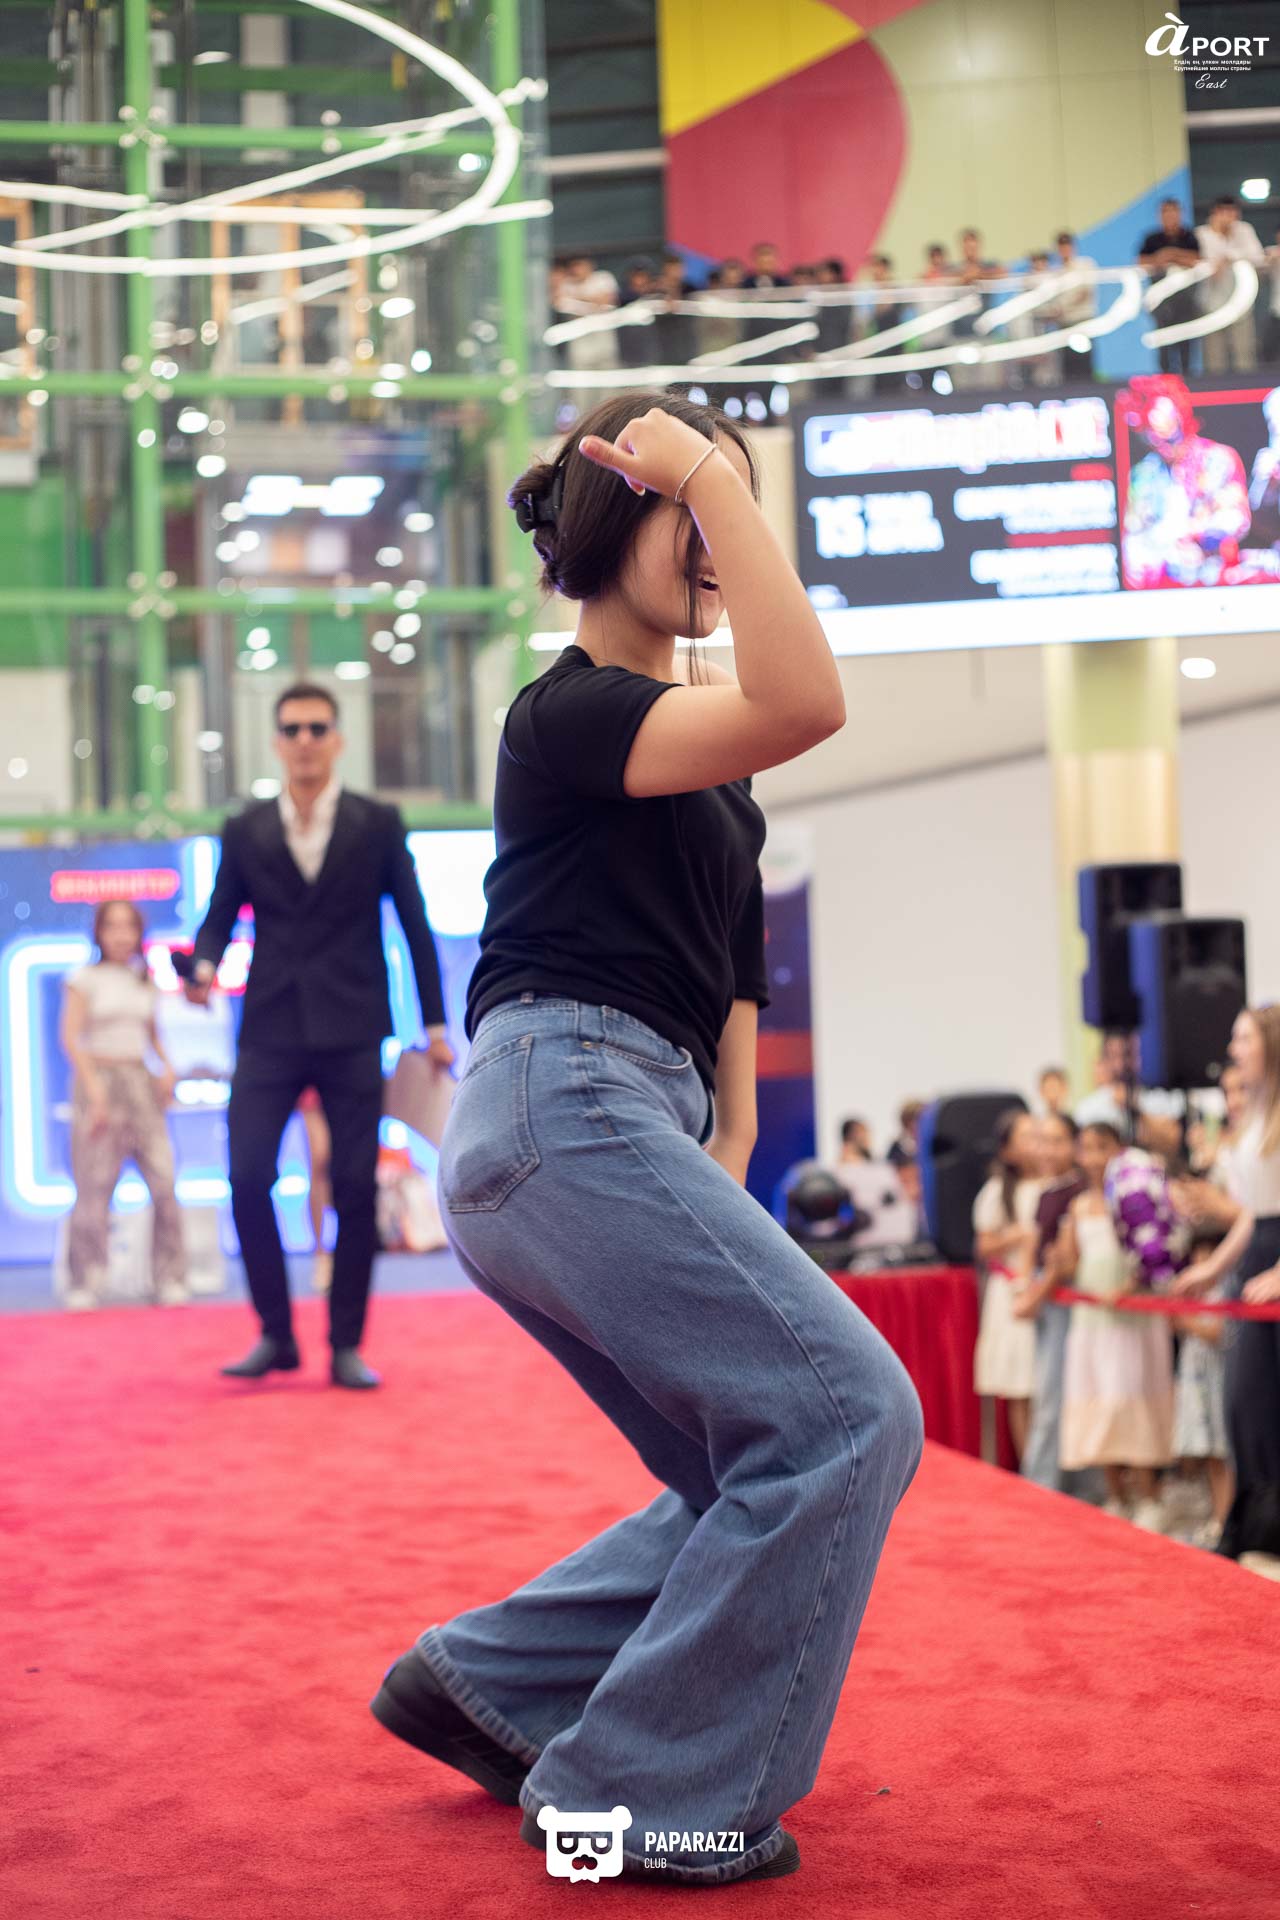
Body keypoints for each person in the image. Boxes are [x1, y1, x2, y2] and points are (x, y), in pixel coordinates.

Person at [368, 391, 923, 1886]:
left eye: (732, 507)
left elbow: (731, 964)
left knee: (755, 1458)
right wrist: (711, 477)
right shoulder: (567, 712)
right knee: (848, 1418)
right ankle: (632, 1792)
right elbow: (808, 702)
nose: (721, 536)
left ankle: (489, 1685)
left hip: (614, 1116)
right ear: (622, 518)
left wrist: (727, 1138)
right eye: (693, 505)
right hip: (565, 1095)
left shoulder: (699, 752)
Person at [185, 683, 453, 1389]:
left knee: (356, 1186)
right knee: (247, 1177)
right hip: (268, 1030)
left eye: (317, 728)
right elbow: (220, 914)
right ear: (277, 742)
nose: (304, 740)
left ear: (337, 740)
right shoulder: (245, 827)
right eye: (292, 729)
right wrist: (204, 967)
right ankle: (276, 1334)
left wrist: (434, 1026)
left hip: (353, 1028)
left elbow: (415, 926)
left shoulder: (378, 822)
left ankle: (345, 1344)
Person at [1174, 1006, 1280, 1559]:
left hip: (1274, 1267)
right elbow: (1252, 1215)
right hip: (1255, 1260)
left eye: (1244, 1038)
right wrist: (1212, 1270)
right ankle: (1259, 1526)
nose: (1234, 1048)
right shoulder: (1254, 1115)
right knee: (1245, 1402)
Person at [60, 900, 186, 1311]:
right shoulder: (84, 979)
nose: (120, 935)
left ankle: (169, 1277)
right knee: (93, 1186)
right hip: (99, 1079)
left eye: (128, 927)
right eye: (111, 926)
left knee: (164, 1181)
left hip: (140, 1082)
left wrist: (167, 1068)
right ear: (98, 932)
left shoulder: (143, 980)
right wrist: (93, 1088)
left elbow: (153, 1035)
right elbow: (71, 1037)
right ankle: (87, 1279)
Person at [1058, 1124, 1175, 1528]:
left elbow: (1152, 1249)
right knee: (1100, 1399)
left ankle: (1149, 1496)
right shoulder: (1077, 1205)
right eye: (1086, 1148)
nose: (1093, 1157)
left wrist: (1130, 1287)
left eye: (1102, 1147)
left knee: (1133, 1397)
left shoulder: (1132, 1194)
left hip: (1132, 1318)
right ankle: (1116, 1495)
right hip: (1093, 1320)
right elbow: (1070, 1262)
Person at [1012, 1113, 1086, 1492]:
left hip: (1065, 1303)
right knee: (1049, 1392)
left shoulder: (1078, 1191)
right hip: (1047, 1300)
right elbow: (1036, 1245)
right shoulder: (1047, 1192)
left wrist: (1034, 1297)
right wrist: (1028, 1288)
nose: (1047, 1150)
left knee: (1054, 1396)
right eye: (1042, 1140)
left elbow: (1062, 1260)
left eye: (1057, 1141)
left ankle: (1041, 1485)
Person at [972, 1108, 1043, 1460]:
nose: (1036, 1144)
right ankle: (1030, 1464)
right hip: (1012, 1291)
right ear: (1008, 1149)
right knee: (1020, 1382)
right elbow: (983, 1245)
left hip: (1046, 1291)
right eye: (1026, 1137)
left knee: (1044, 1381)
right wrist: (1017, 1236)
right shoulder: (998, 1191)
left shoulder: (1053, 1185)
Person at [1195, 195, 1265, 372]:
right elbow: (1202, 263)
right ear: (1215, 213)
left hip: (1240, 305)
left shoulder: (1244, 230)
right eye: (1224, 212)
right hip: (1211, 305)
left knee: (1245, 357)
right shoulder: (1201, 234)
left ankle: (1248, 390)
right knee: (1214, 360)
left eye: (1233, 212)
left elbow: (1258, 257)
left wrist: (1230, 256)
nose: (1229, 217)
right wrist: (1219, 234)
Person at [1137, 199, 1201, 376]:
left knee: (1186, 341)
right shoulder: (1152, 239)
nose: (1170, 216)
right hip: (1161, 301)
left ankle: (1188, 380)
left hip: (1185, 299)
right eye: (1166, 212)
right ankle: (1165, 379)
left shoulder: (1189, 237)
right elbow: (1142, 262)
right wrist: (1161, 258)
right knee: (1163, 343)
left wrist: (1171, 254)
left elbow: (1196, 260)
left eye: (1173, 211)